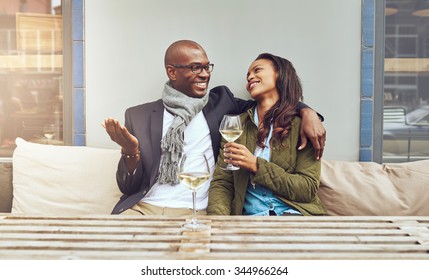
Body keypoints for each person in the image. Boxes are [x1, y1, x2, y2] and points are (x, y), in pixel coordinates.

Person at [103, 40, 326, 216]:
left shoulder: (223, 104)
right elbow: (128, 187)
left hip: (196, 211)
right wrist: (130, 152)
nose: (205, 74)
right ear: (172, 72)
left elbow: (273, 105)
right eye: (195, 68)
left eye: (206, 67)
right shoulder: (138, 115)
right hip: (144, 207)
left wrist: (308, 112)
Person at [207, 53, 327, 216]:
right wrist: (219, 223)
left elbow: (307, 189)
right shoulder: (237, 126)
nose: (250, 77)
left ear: (280, 74)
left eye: (257, 70)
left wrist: (256, 165)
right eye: (248, 74)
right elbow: (223, 183)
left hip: (296, 216)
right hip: (252, 221)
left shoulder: (304, 126)